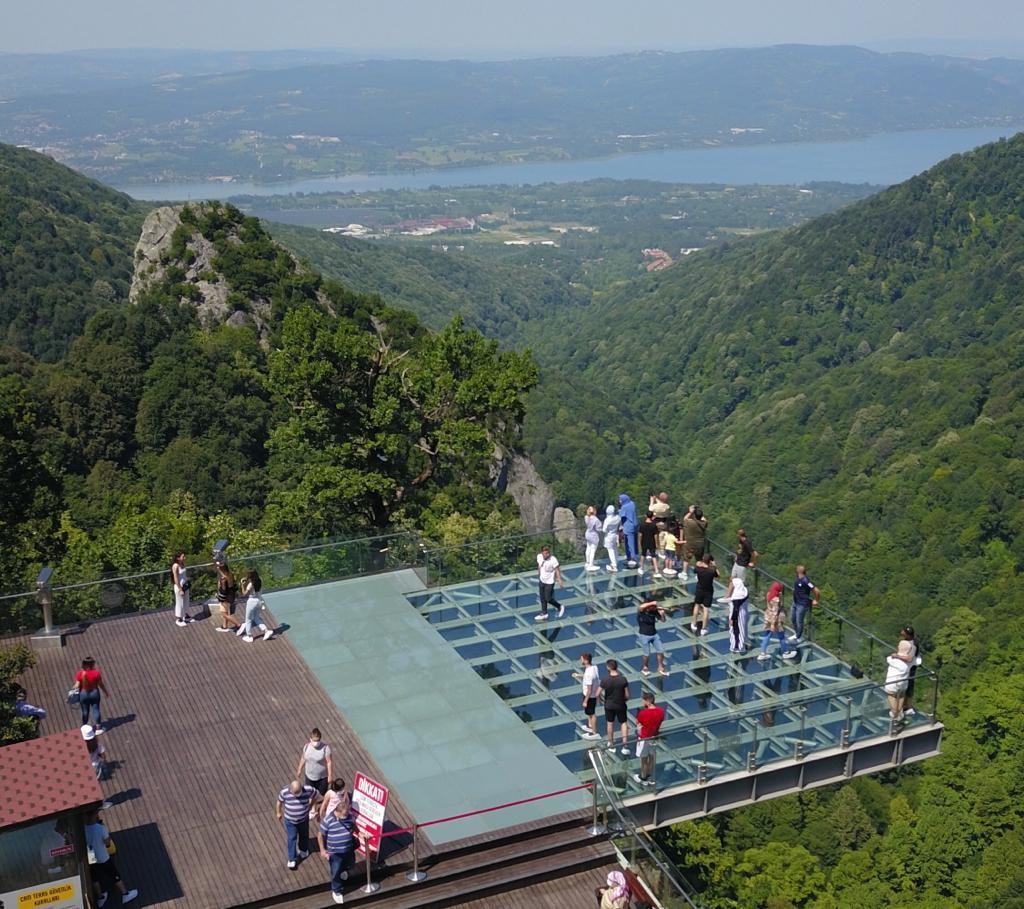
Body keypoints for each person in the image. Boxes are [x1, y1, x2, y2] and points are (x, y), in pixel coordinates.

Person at [84, 808, 138, 905]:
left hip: (91, 857)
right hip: (102, 856)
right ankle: (125, 894)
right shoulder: (100, 828)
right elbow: (107, 843)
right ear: (95, 815)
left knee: (95, 878)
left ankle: (100, 898)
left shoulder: (83, 828)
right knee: (114, 875)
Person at [317, 798, 362, 905]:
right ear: (336, 812)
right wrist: (322, 850)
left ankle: (344, 871)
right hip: (335, 852)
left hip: (348, 849)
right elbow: (320, 835)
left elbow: (353, 825)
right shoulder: (328, 820)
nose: (346, 816)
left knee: (350, 864)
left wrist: (360, 833)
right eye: (343, 815)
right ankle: (336, 890)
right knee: (335, 871)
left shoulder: (349, 816)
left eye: (346, 814)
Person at [276, 779, 317, 869]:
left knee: (304, 835)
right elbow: (279, 802)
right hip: (290, 821)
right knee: (291, 838)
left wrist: (311, 806)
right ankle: (292, 859)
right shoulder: (284, 792)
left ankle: (303, 850)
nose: (298, 796)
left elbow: (315, 795)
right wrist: (278, 812)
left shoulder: (308, 789)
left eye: (299, 793)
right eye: (295, 794)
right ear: (290, 789)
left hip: (303, 820)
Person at [757, 580, 797, 661]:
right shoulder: (776, 600)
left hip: (768, 616)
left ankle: (762, 653)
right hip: (776, 621)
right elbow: (775, 613)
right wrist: (773, 624)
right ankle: (785, 652)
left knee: (767, 635)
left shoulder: (769, 594)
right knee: (781, 636)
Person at [633, 691, 665, 786]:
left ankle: (643, 777)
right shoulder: (661, 712)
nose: (643, 702)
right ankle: (650, 775)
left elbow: (638, 723)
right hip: (654, 737)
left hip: (644, 738)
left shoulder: (643, 713)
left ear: (648, 700)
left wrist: (638, 715)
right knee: (651, 757)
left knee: (643, 758)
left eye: (644, 700)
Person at [599, 658, 630, 756]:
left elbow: (597, 693)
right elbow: (627, 695)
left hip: (609, 705)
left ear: (608, 667)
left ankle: (611, 744)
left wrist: (601, 700)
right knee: (623, 723)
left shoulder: (605, 680)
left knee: (610, 723)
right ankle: (625, 745)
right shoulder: (623, 679)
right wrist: (624, 700)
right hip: (620, 704)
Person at [72, 656, 109, 733]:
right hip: (94, 693)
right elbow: (100, 684)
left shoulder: (80, 674)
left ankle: (84, 727)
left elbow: (77, 685)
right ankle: (98, 728)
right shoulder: (96, 673)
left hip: (83, 694)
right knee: (96, 709)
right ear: (92, 664)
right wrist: (106, 692)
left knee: (85, 711)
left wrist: (73, 689)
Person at [237, 568, 273, 642]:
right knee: (256, 618)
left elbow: (244, 594)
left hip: (252, 601)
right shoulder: (260, 580)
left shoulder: (250, 584)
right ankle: (266, 631)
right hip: (259, 600)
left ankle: (249, 635)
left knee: (248, 619)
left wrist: (242, 585)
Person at [572, 652, 602, 740]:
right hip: (592, 695)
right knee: (589, 713)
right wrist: (578, 675)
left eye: (581, 659)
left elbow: (589, 690)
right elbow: (592, 678)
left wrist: (585, 701)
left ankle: (594, 732)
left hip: (589, 696)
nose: (580, 660)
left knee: (592, 714)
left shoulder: (589, 674)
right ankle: (590, 726)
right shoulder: (594, 667)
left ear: (586, 660)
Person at [296, 727, 333, 797]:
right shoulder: (306, 747)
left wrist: (330, 776)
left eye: (318, 740)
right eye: (314, 740)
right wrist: (299, 769)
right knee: (310, 795)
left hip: (322, 778)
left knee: (322, 795)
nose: (316, 742)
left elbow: (329, 762)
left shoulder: (325, 748)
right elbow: (303, 758)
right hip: (309, 777)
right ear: (310, 739)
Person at [637, 597, 669, 676]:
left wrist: (662, 614)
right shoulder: (642, 611)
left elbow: (663, 621)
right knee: (647, 654)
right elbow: (640, 607)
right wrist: (653, 603)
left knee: (660, 650)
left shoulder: (654, 611)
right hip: (644, 635)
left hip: (654, 634)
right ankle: (645, 667)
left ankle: (660, 667)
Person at [788, 564, 819, 645]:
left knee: (799, 621)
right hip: (795, 602)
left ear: (799, 571)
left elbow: (816, 590)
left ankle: (799, 637)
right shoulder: (798, 578)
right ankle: (796, 634)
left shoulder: (806, 581)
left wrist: (816, 600)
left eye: (796, 569)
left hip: (802, 604)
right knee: (793, 618)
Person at [533, 544, 563, 621]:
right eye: (545, 553)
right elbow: (539, 565)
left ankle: (560, 606)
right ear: (542, 553)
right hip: (542, 580)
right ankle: (544, 613)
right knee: (542, 598)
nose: (547, 555)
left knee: (548, 598)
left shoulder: (553, 560)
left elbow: (557, 569)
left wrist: (559, 579)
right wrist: (539, 574)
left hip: (550, 582)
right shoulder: (539, 557)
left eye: (548, 553)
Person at [691, 552, 718, 635]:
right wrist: (714, 566)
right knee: (706, 609)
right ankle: (704, 628)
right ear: (710, 561)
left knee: (697, 605)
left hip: (699, 589)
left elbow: (695, 569)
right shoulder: (712, 571)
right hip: (708, 591)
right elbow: (718, 575)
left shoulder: (699, 569)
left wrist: (699, 564)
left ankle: (694, 624)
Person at [680, 506, 707, 579]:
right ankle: (698, 575)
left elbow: (685, 518)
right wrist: (699, 513)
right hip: (700, 544)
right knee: (699, 559)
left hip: (690, 543)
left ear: (694, 515)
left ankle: (684, 573)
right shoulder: (704, 523)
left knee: (686, 558)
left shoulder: (690, 522)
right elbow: (704, 519)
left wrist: (690, 512)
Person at [214, 560, 241, 633]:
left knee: (224, 614)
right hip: (231, 596)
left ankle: (238, 624)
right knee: (225, 612)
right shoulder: (230, 575)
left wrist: (219, 597)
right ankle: (224, 626)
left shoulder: (223, 580)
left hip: (226, 598)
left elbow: (223, 590)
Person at [726, 577, 750, 653]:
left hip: (737, 614)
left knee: (736, 630)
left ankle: (737, 647)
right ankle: (741, 645)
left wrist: (732, 618)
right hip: (744, 612)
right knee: (742, 629)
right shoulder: (744, 592)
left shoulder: (737, 596)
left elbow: (735, 608)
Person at [170, 550, 191, 627]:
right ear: (178, 558)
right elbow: (175, 578)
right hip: (179, 586)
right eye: (183, 556)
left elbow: (184, 575)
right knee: (180, 603)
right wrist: (180, 589)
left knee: (186, 600)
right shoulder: (175, 566)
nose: (184, 558)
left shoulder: (182, 563)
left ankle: (186, 616)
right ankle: (179, 619)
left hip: (185, 585)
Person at [618, 493, 639, 567]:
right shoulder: (632, 504)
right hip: (635, 524)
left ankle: (631, 559)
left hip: (628, 526)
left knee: (629, 543)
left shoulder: (624, 507)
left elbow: (621, 517)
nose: (619, 501)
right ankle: (634, 556)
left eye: (620, 500)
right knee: (634, 542)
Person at [637, 511, 660, 577]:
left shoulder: (642, 525)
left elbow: (640, 535)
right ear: (652, 516)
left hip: (644, 541)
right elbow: (655, 536)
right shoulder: (654, 525)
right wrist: (657, 543)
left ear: (646, 516)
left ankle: (641, 568)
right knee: (653, 555)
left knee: (643, 554)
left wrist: (639, 542)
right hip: (652, 542)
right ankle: (656, 570)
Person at [602, 505, 622, 572]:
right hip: (615, 535)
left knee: (610, 550)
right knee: (615, 549)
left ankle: (614, 566)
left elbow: (604, 530)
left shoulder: (607, 520)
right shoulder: (618, 517)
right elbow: (620, 526)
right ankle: (616, 561)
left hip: (609, 536)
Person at [583, 506, 602, 572]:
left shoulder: (586, 518)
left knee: (588, 548)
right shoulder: (596, 520)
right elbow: (598, 528)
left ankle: (587, 562)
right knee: (593, 550)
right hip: (593, 535)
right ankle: (591, 564)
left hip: (587, 534)